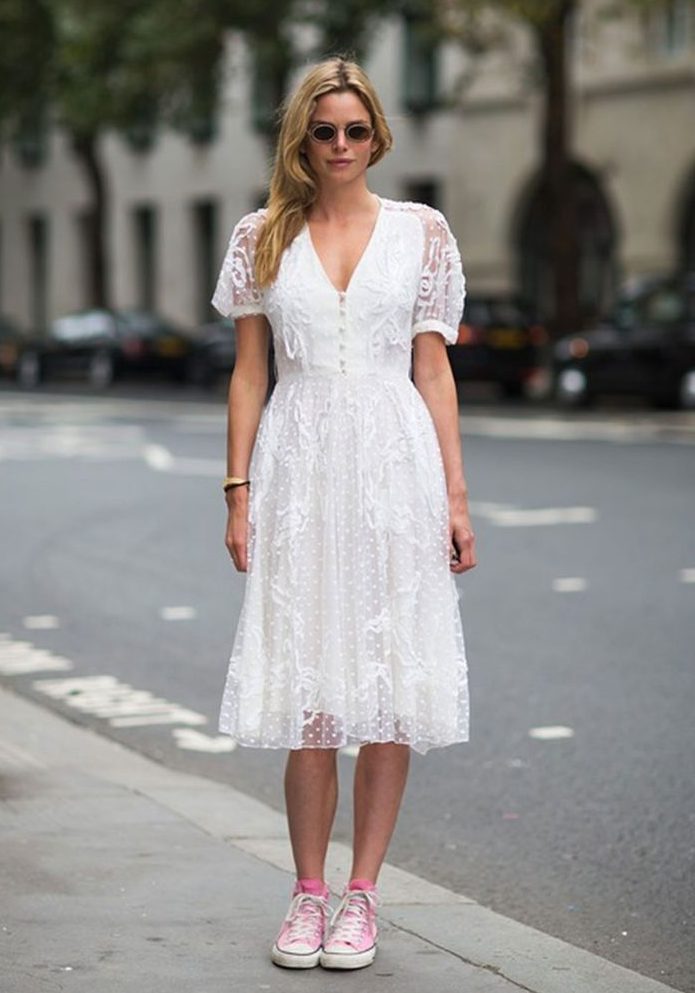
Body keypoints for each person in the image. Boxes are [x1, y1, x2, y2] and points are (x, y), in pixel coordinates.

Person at [212, 56, 476, 972]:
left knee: (388, 683)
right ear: (299, 137)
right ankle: (306, 891)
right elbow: (250, 371)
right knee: (313, 696)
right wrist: (237, 489)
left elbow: (433, 370)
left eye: (354, 131)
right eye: (322, 131)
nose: (338, 146)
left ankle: (362, 896)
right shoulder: (261, 235)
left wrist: (454, 496)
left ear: (377, 137)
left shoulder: (421, 232)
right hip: (298, 466)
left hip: (394, 464)